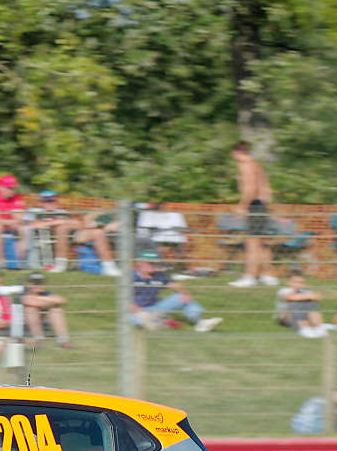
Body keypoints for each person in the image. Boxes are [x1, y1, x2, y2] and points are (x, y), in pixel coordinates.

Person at [230, 140, 275, 287]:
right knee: (262, 242)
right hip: (261, 205)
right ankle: (268, 275)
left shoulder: (246, 165)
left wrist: (242, 206)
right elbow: (267, 189)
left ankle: (249, 276)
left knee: (252, 243)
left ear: (237, 152)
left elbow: (250, 188)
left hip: (254, 205)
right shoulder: (256, 164)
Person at [134, 261, 222, 332]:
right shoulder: (131, 276)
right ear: (140, 264)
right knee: (134, 320)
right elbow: (125, 300)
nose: (153, 265)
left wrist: (185, 293)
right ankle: (158, 323)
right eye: (150, 263)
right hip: (138, 310)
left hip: (157, 307)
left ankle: (200, 322)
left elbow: (173, 285)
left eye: (154, 263)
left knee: (180, 297)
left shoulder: (158, 275)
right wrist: (139, 311)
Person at [20, 273, 72, 346]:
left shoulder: (45, 293)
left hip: (41, 323)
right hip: (23, 328)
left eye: (41, 283)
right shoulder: (22, 293)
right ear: (28, 284)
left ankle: (63, 341)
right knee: (31, 309)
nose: (40, 285)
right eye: (36, 283)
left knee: (56, 310)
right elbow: (28, 301)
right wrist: (49, 301)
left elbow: (62, 300)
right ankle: (38, 340)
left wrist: (40, 300)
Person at [274, 271, 324, 336]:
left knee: (311, 303)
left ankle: (317, 326)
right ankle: (304, 328)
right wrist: (309, 296)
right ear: (288, 282)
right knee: (296, 303)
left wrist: (309, 297)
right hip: (286, 318)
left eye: (301, 282)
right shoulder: (284, 290)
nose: (298, 284)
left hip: (304, 316)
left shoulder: (306, 291)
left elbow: (318, 297)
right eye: (295, 282)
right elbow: (290, 297)